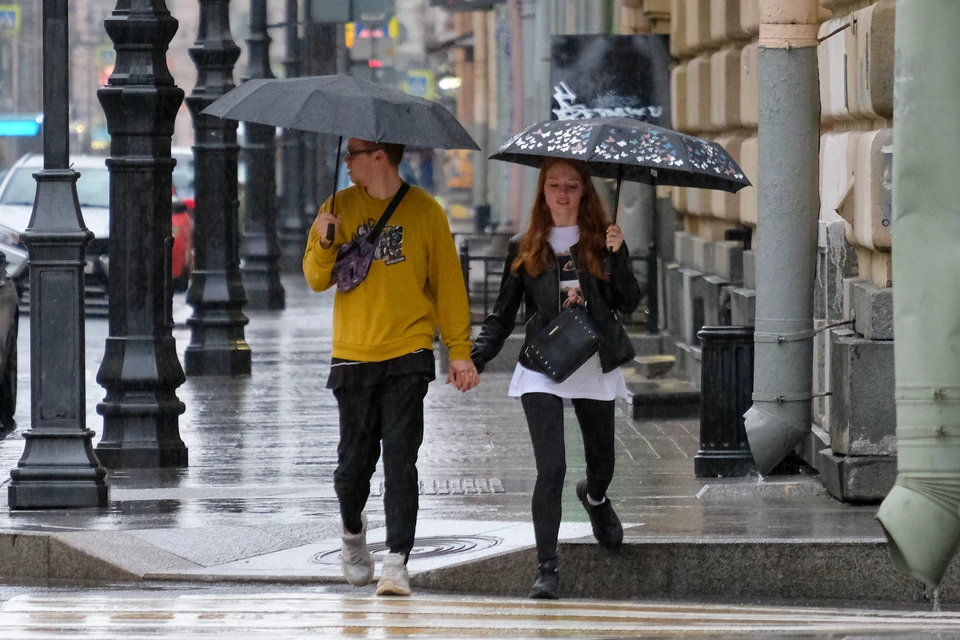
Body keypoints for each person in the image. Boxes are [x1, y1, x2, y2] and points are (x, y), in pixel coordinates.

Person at [303, 138, 479, 598]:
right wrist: (324, 240)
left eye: (353, 153)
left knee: (401, 459)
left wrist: (459, 350)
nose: (346, 161)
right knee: (352, 466)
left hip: (408, 352)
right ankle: (352, 532)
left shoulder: (426, 212)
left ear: (379, 155)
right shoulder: (336, 207)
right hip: (353, 352)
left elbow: (447, 285)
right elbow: (316, 278)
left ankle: (397, 561)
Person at [470, 158, 641, 600]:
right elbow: (502, 316)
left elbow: (629, 302)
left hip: (593, 363)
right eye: (554, 186)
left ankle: (596, 498)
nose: (562, 194)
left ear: (584, 192)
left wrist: (619, 255)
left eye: (571, 186)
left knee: (602, 465)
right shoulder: (524, 247)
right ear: (542, 192)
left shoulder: (602, 243)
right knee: (552, 468)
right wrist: (474, 358)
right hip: (542, 366)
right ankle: (547, 569)